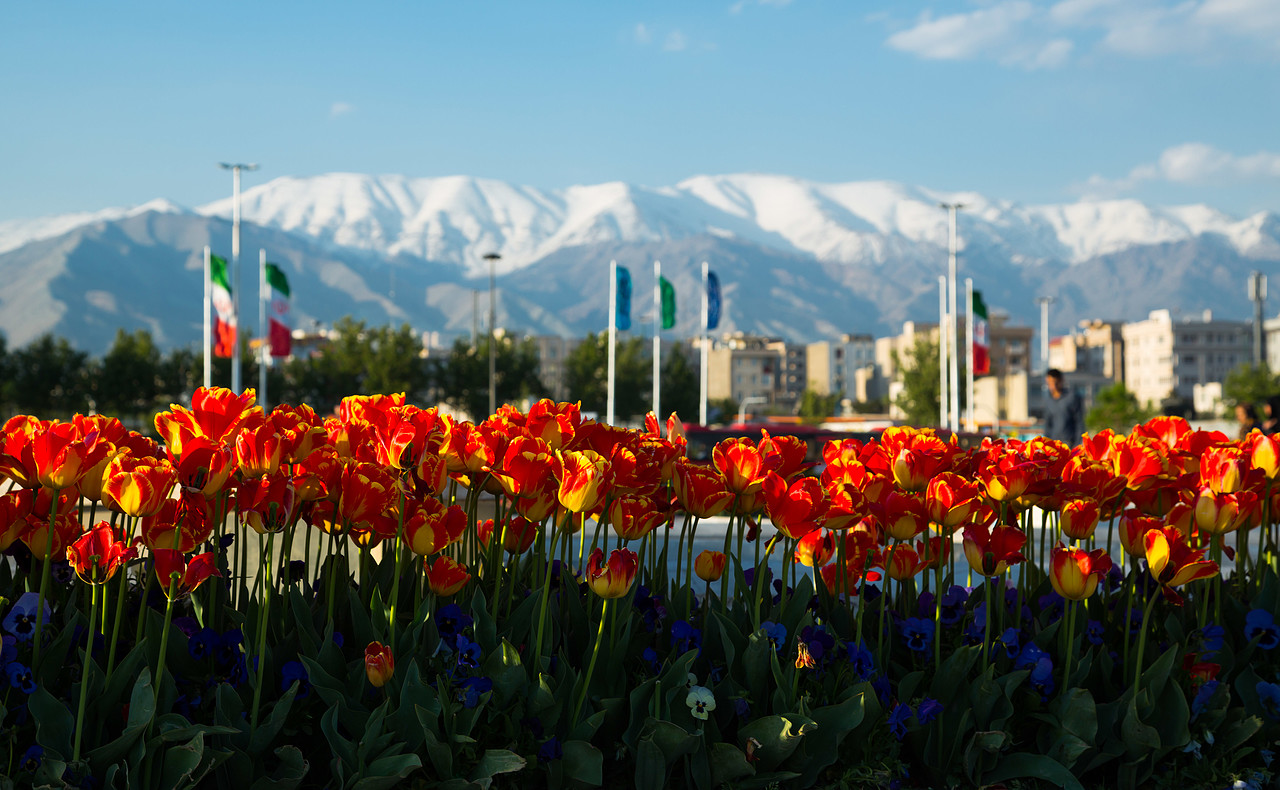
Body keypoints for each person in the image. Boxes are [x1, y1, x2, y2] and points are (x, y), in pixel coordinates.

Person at [1043, 368, 1084, 446]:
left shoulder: (1073, 397)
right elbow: (1048, 424)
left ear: (1061, 380)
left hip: (1069, 442)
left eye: (1055, 382)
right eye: (1050, 383)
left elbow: (1079, 422)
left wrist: (1077, 444)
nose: (1053, 386)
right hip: (1053, 443)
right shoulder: (1048, 400)